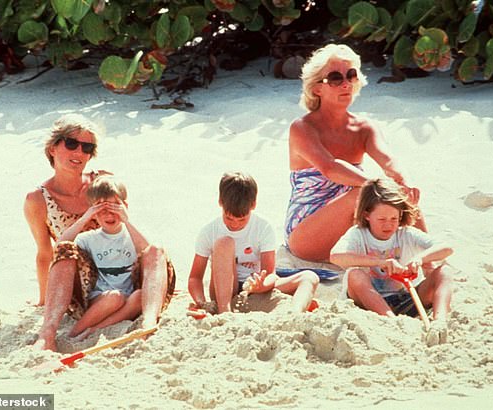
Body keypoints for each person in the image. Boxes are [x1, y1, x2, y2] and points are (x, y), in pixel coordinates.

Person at [284, 44, 426, 262]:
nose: (345, 84)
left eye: (351, 76)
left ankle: (429, 260)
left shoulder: (364, 127)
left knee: (402, 192)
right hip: (307, 232)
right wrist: (379, 186)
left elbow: (388, 160)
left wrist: (404, 181)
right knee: (368, 192)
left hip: (351, 230)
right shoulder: (302, 127)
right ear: (316, 88)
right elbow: (330, 168)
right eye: (335, 78)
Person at [35, 175, 176, 351]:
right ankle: (70, 332)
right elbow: (60, 247)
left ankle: (145, 323)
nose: (109, 214)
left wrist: (126, 220)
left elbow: (150, 254)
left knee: (153, 257)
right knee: (114, 298)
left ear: (125, 207)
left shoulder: (134, 234)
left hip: (132, 300)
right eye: (102, 209)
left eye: (114, 207)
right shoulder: (89, 238)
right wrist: (86, 217)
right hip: (101, 299)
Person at [330, 178, 453, 345]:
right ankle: (392, 323)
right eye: (381, 219)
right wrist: (380, 262)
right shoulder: (358, 234)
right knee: (355, 274)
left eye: (394, 219)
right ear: (367, 215)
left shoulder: (406, 233)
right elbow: (336, 256)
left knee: (444, 272)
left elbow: (447, 248)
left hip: (404, 299)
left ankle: (439, 323)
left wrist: (419, 259)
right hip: (367, 304)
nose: (388, 225)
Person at [188, 172, 319, 314]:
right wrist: (201, 302)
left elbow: (270, 274)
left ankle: (295, 313)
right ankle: (224, 312)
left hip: (254, 288)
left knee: (310, 277)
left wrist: (261, 286)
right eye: (229, 218)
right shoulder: (210, 231)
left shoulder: (263, 227)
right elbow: (195, 277)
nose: (235, 225)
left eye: (242, 220)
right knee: (224, 242)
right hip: (223, 291)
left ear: (253, 205)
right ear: (220, 202)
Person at [24, 114, 106, 306]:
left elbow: (124, 231)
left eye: (87, 148)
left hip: (116, 266)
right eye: (71, 144)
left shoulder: (100, 183)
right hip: (78, 280)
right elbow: (45, 253)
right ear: (52, 148)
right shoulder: (37, 199)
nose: (79, 152)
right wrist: (45, 301)